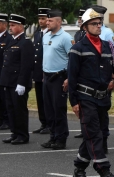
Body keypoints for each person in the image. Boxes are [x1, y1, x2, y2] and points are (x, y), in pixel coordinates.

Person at [68, 8, 114, 177]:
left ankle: (78, 170)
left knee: (92, 135)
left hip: (102, 99)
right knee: (95, 135)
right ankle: (105, 174)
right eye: (94, 24)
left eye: (99, 23)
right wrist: (74, 102)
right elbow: (72, 77)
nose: (98, 26)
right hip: (85, 98)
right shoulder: (77, 49)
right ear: (84, 27)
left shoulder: (108, 46)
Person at [73, 5, 114, 154]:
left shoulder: (107, 33)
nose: (98, 24)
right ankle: (96, 151)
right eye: (94, 21)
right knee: (92, 129)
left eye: (99, 20)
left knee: (101, 121)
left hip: (103, 84)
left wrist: (113, 80)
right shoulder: (81, 36)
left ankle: (101, 146)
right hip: (87, 89)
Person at [40, 9, 72, 150]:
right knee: (49, 109)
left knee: (59, 109)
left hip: (59, 78)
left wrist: (68, 79)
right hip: (47, 77)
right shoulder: (46, 36)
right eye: (47, 20)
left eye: (50, 20)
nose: (47, 22)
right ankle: (53, 136)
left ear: (59, 22)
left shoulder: (65, 38)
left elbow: (73, 60)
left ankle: (61, 138)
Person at [0, 14, 34, 145]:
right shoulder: (12, 41)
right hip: (9, 81)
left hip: (18, 82)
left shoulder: (25, 42)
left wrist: (21, 83)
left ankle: (22, 135)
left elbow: (26, 66)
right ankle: (14, 132)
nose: (10, 27)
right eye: (10, 25)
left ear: (21, 26)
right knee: (10, 108)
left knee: (19, 109)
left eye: (13, 25)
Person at [32, 8, 51, 134]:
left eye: (43, 18)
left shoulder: (50, 34)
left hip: (47, 72)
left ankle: (49, 124)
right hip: (38, 72)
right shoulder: (38, 33)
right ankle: (43, 123)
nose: (41, 21)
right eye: (39, 18)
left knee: (47, 100)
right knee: (39, 98)